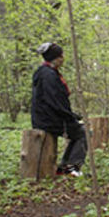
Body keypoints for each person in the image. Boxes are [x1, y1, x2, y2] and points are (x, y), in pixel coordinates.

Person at [31, 42, 87, 177]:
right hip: (49, 120)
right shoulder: (48, 75)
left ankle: (65, 166)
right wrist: (70, 117)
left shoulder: (45, 72)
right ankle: (70, 167)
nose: (63, 59)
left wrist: (71, 115)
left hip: (46, 117)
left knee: (77, 131)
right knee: (83, 132)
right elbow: (55, 102)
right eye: (60, 56)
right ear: (54, 58)